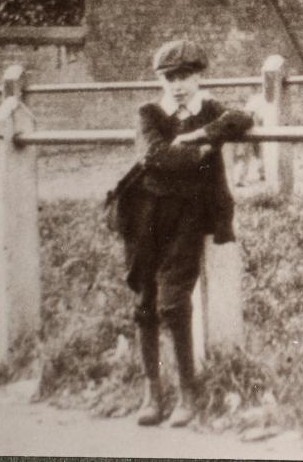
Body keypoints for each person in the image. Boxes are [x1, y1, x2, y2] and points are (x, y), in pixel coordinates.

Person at [107, 39, 253, 428]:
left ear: (198, 77)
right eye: (170, 78)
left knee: (172, 301)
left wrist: (193, 136)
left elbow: (242, 119)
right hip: (145, 216)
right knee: (145, 302)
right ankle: (152, 393)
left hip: (188, 217)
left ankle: (188, 391)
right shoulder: (149, 113)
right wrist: (203, 151)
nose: (178, 86)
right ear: (162, 81)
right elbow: (155, 155)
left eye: (185, 77)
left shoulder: (211, 110)